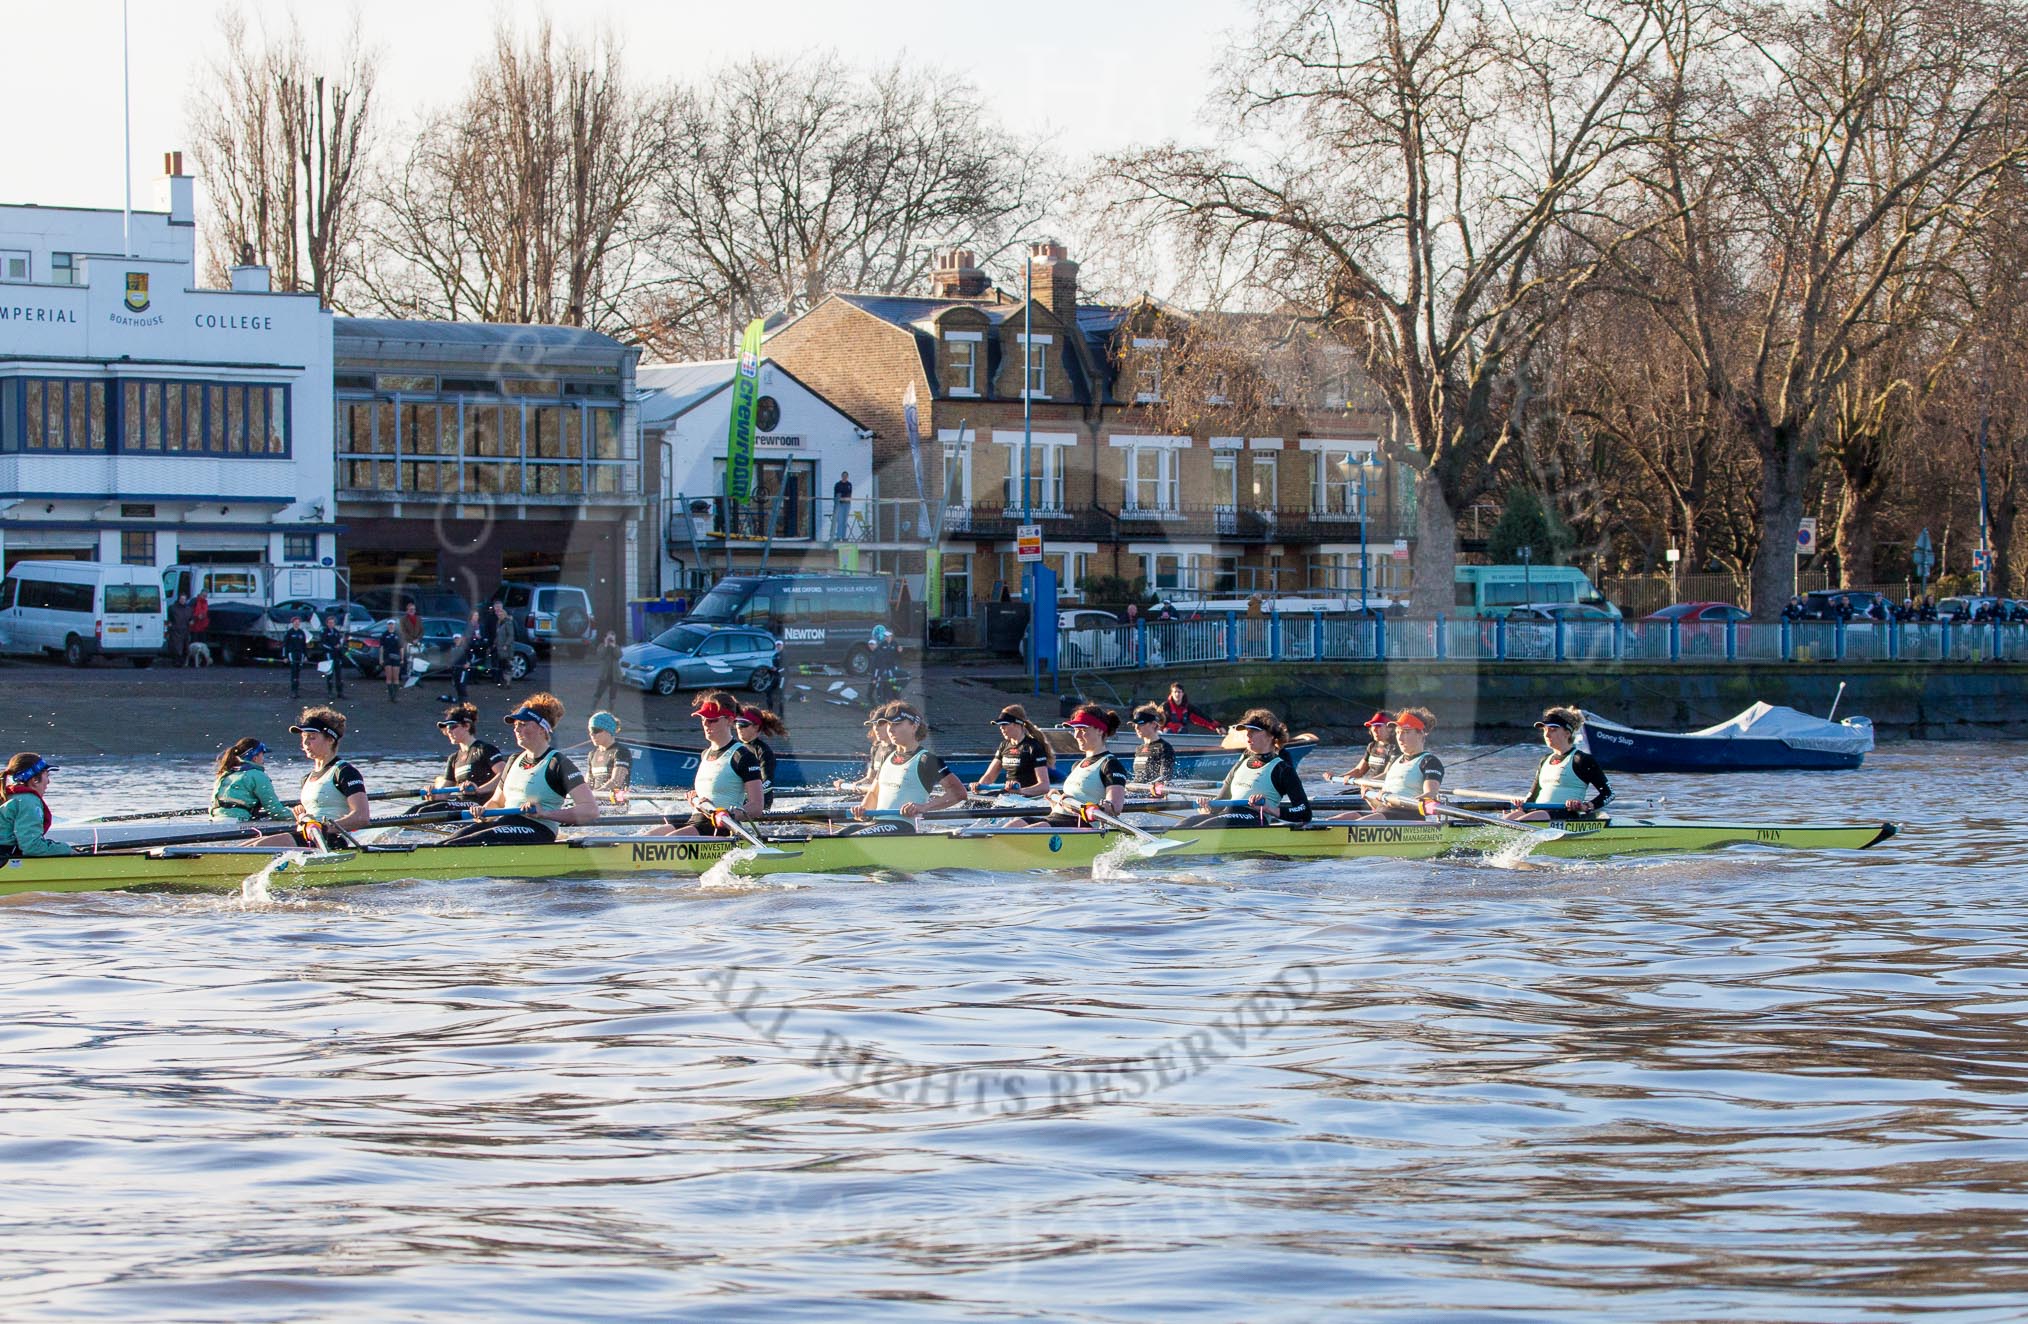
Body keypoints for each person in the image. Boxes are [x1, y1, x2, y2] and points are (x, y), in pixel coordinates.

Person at [445, 693, 597, 846]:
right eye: (516, 724)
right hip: (506, 823)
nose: (517, 729)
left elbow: (590, 810)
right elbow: (497, 802)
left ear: (542, 729)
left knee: (466, 842)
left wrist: (545, 814)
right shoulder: (513, 761)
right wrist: (482, 812)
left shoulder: (558, 763)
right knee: (451, 840)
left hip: (538, 829)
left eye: (523, 724)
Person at [649, 691, 768, 836]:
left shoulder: (743, 756)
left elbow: (756, 806)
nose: (705, 724)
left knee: (667, 841)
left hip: (722, 828)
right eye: (703, 719)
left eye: (712, 720)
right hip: (696, 821)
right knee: (645, 838)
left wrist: (729, 815)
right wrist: (695, 798)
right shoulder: (705, 754)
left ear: (730, 720)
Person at [252, 708, 370, 848]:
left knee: (258, 846)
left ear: (330, 740)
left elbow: (362, 817)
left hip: (333, 839)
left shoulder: (345, 772)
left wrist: (323, 828)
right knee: (244, 847)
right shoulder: (306, 778)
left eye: (312, 737)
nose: (306, 742)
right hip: (311, 837)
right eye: (304, 737)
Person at [848, 702, 967, 830]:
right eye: (889, 724)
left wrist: (924, 807)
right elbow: (874, 794)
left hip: (904, 826)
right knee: (841, 834)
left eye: (897, 724)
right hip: (877, 824)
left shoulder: (926, 759)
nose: (891, 729)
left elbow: (959, 793)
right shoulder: (886, 756)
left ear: (914, 726)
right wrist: (861, 811)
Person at [1188, 709, 1311, 827]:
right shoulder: (1242, 762)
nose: (1248, 734)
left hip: (1255, 818)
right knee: (1188, 822)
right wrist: (1208, 805)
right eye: (1247, 730)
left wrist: (1270, 809)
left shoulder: (1282, 769)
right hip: (1226, 815)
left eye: (1254, 731)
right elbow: (1220, 802)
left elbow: (1304, 812)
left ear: (1271, 735)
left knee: (1208, 826)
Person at [1505, 707, 1613, 820]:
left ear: (1567, 733)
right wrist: (1521, 806)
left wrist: (1586, 806)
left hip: (1566, 814)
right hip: (1538, 813)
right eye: (1545, 730)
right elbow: (1532, 796)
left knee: (1537, 815)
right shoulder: (1545, 760)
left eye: (1553, 729)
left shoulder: (1581, 760)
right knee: (1510, 818)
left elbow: (1608, 794)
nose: (1546, 735)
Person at [1350, 708, 1444, 821]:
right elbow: (1379, 807)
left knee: (1357, 824)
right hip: (1386, 813)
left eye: (1406, 732)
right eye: (1398, 732)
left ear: (1421, 734)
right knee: (1344, 818)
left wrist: (1398, 802)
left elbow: (1430, 795)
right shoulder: (1397, 761)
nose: (1400, 738)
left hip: (1409, 817)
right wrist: (1369, 797)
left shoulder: (1429, 762)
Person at [1046, 705, 1129, 829]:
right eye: (1075, 730)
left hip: (1083, 824)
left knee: (1032, 829)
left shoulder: (1111, 765)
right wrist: (1055, 800)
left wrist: (1079, 808)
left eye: (1082, 730)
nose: (1076, 736)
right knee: (1015, 824)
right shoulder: (1077, 765)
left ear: (1100, 730)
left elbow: (1114, 808)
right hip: (1058, 818)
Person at [422, 703, 504, 814]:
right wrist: (432, 794)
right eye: (446, 728)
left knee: (426, 810)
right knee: (422, 808)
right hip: (462, 804)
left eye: (452, 726)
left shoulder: (485, 749)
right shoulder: (453, 758)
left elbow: (504, 774)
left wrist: (479, 790)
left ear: (466, 726)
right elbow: (442, 794)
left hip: (481, 806)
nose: (448, 731)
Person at [971, 705, 1053, 799]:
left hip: (1028, 799)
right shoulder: (1004, 745)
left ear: (1017, 724)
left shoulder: (1033, 747)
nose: (1001, 728)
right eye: (1000, 725)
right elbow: (989, 777)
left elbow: (1044, 786)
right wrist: (979, 786)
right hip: (1009, 796)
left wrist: (1020, 791)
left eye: (1004, 724)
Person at [0, 754, 72, 858]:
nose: (48, 781)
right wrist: (66, 849)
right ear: (34, 780)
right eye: (47, 775)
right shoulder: (27, 801)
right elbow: (32, 848)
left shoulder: (6, 796)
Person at [209, 738, 291, 824]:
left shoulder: (226, 774)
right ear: (255, 758)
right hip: (238, 822)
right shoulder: (257, 775)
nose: (263, 759)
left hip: (215, 820)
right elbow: (275, 810)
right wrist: (297, 817)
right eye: (262, 755)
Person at [734, 705, 786, 808]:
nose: (739, 728)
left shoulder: (764, 751)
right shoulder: (735, 748)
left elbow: (767, 782)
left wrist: (747, 797)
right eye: (736, 723)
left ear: (756, 727)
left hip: (759, 803)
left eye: (743, 724)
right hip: (739, 801)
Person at [1125, 704, 1177, 795]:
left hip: (1152, 797)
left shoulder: (1164, 748)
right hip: (1137, 794)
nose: (1136, 727)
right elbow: (1139, 778)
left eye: (1140, 723)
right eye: (1135, 724)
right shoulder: (1139, 749)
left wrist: (1153, 787)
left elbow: (1165, 777)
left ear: (1153, 724)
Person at [585, 711, 634, 804]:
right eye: (590, 731)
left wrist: (592, 796)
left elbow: (616, 782)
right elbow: (587, 784)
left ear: (608, 731)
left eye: (595, 730)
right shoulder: (592, 754)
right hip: (594, 803)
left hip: (615, 806)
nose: (591, 734)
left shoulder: (620, 752)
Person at [1340, 712, 1398, 786]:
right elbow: (1359, 771)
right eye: (1373, 726)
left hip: (1384, 789)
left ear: (1390, 728)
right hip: (1370, 786)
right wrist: (1338, 777)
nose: (1374, 729)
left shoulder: (1397, 748)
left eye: (1378, 726)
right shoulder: (1372, 746)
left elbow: (1387, 775)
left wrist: (1366, 782)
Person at [441, 607, 487, 702]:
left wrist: (468, 663)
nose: (457, 641)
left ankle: (464, 700)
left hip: (463, 669)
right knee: (457, 684)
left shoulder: (464, 649)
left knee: (462, 685)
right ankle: (459, 699)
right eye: (455, 639)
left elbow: (471, 656)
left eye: (458, 639)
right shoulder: (453, 649)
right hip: (456, 669)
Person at [849, 705, 897, 794]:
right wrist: (856, 784)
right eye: (874, 724)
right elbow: (870, 778)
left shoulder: (898, 750)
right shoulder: (875, 748)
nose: (876, 728)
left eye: (880, 724)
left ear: (891, 725)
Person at [318, 613, 349, 700]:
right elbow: (323, 644)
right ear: (327, 623)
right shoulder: (324, 632)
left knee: (339, 675)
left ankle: (340, 692)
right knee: (329, 675)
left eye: (333, 622)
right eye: (330, 622)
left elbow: (340, 643)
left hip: (337, 656)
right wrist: (332, 647)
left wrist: (339, 647)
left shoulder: (336, 632)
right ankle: (330, 692)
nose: (331, 624)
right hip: (329, 655)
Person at [591, 631, 622, 710]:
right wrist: (605, 645)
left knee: (613, 695)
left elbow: (619, 655)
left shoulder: (616, 646)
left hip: (615, 675)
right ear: (605, 638)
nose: (610, 639)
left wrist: (614, 646)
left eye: (612, 636)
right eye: (609, 637)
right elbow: (600, 655)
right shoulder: (601, 646)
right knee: (599, 692)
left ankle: (611, 712)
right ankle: (592, 710)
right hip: (604, 675)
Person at [282, 615, 310, 699]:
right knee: (293, 672)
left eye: (298, 622)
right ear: (292, 623)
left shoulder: (301, 632)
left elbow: (304, 645)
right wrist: (285, 656)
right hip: (292, 654)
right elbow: (285, 645)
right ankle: (293, 691)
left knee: (298, 672)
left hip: (300, 654)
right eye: (295, 622)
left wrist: (305, 656)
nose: (297, 624)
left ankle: (297, 690)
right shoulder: (289, 632)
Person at [377, 623, 405, 703]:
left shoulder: (398, 635)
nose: (391, 626)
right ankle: (390, 695)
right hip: (387, 657)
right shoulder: (384, 635)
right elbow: (381, 647)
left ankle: (395, 696)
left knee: (396, 677)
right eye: (389, 624)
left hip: (396, 657)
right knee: (389, 677)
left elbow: (401, 648)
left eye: (392, 624)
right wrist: (381, 658)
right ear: (387, 625)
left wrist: (402, 658)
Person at [490, 601, 516, 686]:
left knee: (507, 666)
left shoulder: (508, 623)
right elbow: (498, 636)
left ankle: (507, 683)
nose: (499, 615)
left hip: (506, 648)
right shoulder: (499, 623)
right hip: (500, 648)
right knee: (501, 665)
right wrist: (495, 643)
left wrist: (506, 645)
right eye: (498, 614)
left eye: (501, 614)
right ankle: (502, 682)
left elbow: (511, 635)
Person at [166, 591, 194, 666]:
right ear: (179, 599)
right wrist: (169, 624)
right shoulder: (172, 608)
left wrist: (191, 621)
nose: (183, 600)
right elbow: (169, 618)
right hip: (175, 630)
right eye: (181, 599)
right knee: (176, 647)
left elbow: (191, 618)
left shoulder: (189, 609)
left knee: (185, 647)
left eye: (184, 599)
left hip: (186, 630)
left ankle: (183, 662)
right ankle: (176, 662)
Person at [832, 470, 853, 540]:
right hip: (840, 505)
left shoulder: (849, 484)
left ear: (847, 477)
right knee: (840, 521)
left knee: (845, 521)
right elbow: (835, 496)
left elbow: (850, 494)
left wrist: (848, 499)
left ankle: (844, 537)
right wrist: (840, 500)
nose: (845, 477)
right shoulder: (837, 484)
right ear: (841, 476)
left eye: (846, 476)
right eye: (843, 476)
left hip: (847, 504)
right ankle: (838, 537)